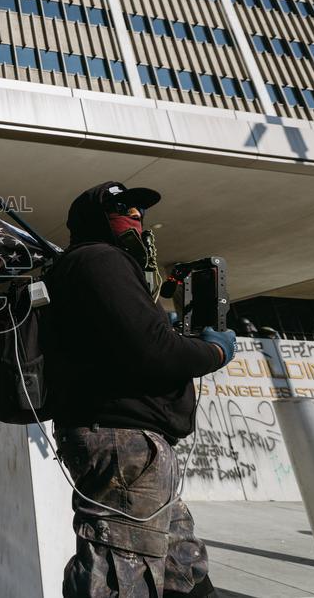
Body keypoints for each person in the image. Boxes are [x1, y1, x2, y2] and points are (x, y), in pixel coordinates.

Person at [44, 181, 236, 598]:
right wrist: (213, 353)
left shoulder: (94, 266)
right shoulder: (100, 259)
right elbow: (157, 353)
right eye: (122, 207)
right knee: (120, 576)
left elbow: (134, 343)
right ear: (95, 218)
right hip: (122, 445)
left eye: (139, 210)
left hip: (132, 449)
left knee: (180, 567)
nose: (135, 215)